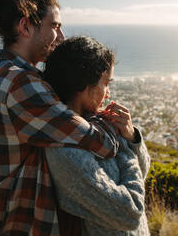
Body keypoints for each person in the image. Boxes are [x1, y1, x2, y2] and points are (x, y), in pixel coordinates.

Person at [0, 0, 119, 235]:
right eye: (55, 26)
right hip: (14, 223)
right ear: (25, 27)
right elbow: (100, 143)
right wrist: (114, 125)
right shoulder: (21, 85)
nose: (61, 36)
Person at [43, 36, 151, 235]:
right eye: (106, 83)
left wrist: (130, 136)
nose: (108, 93)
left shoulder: (97, 126)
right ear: (83, 85)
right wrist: (124, 151)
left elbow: (141, 175)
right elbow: (131, 213)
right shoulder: (65, 151)